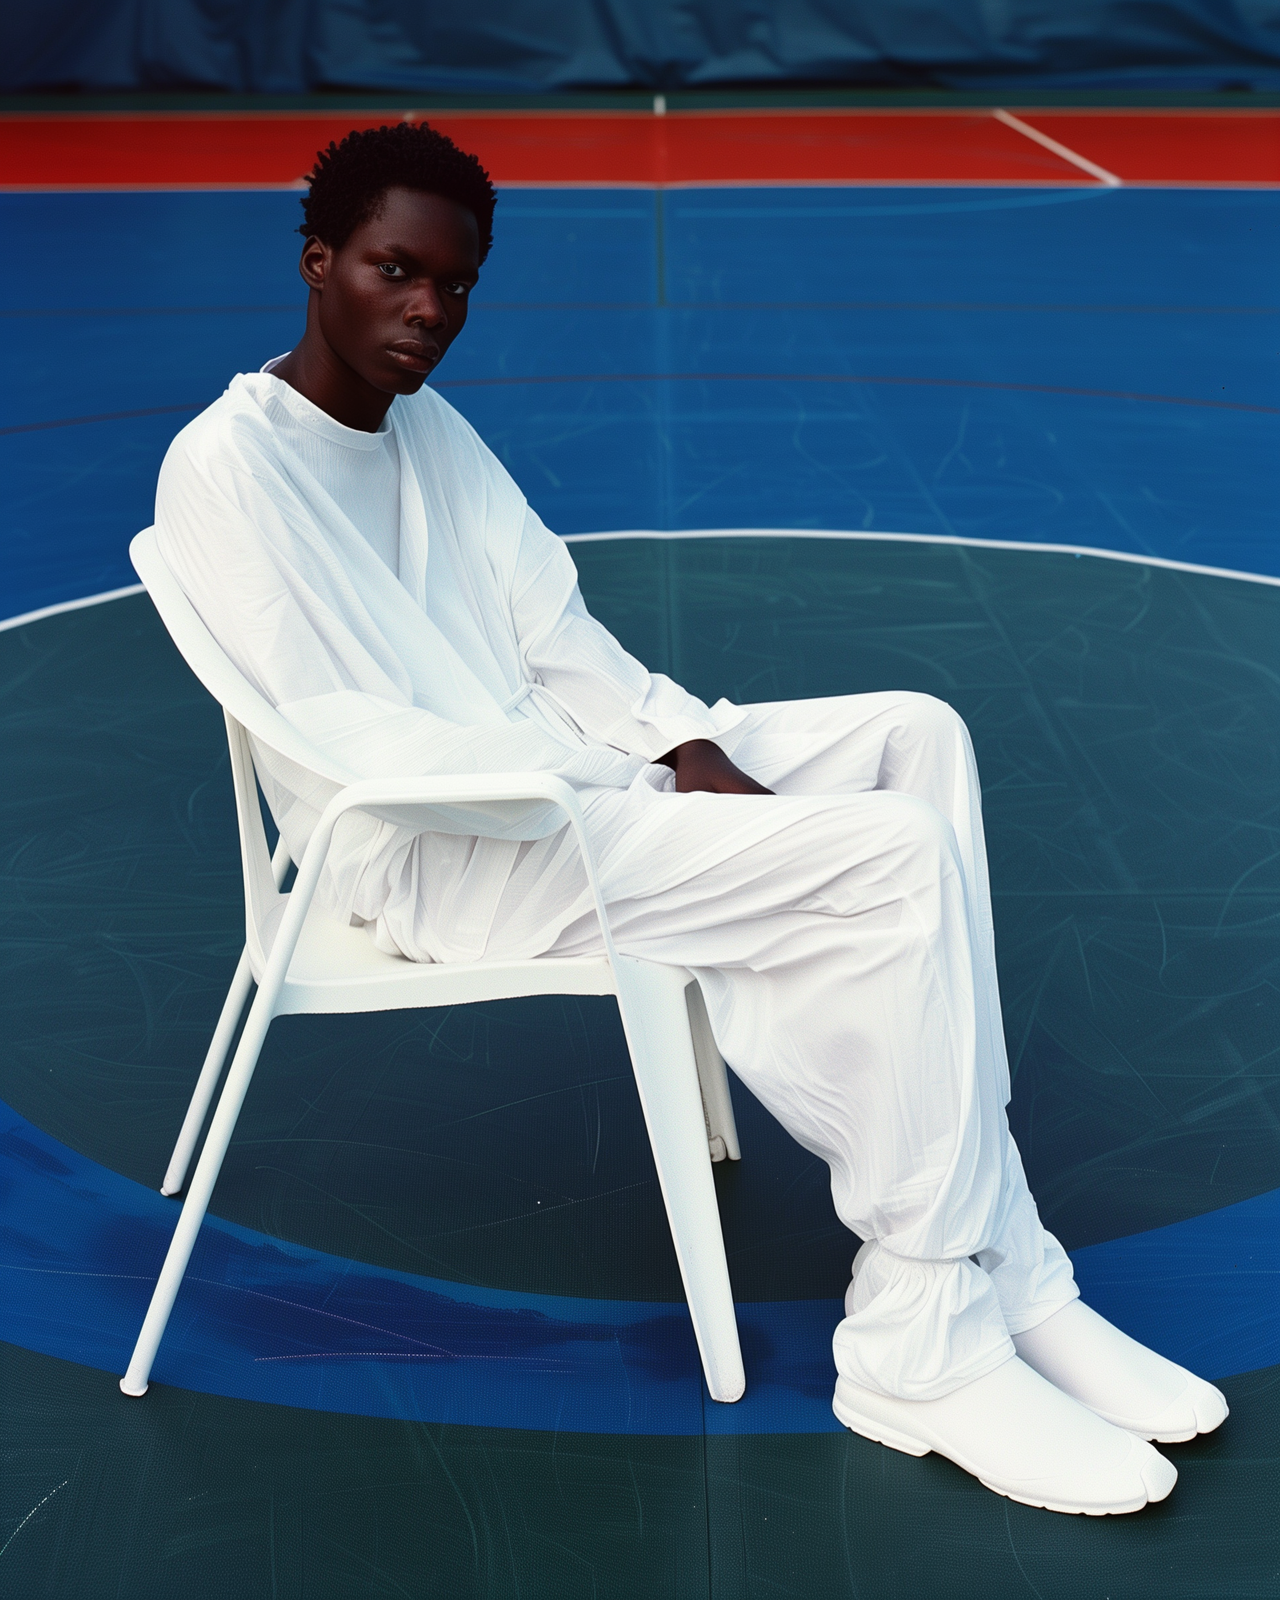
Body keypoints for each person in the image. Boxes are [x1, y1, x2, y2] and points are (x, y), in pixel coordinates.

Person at [154, 122, 1226, 1515]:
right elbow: (342, 737)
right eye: (393, 270)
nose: (428, 310)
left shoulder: (431, 435)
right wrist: (629, 782)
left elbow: (557, 637)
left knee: (914, 741)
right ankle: (918, 1341)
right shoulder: (227, 468)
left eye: (456, 284)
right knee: (887, 863)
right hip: (443, 853)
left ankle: (1000, 1257)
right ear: (319, 263)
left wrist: (687, 748)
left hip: (571, 799)